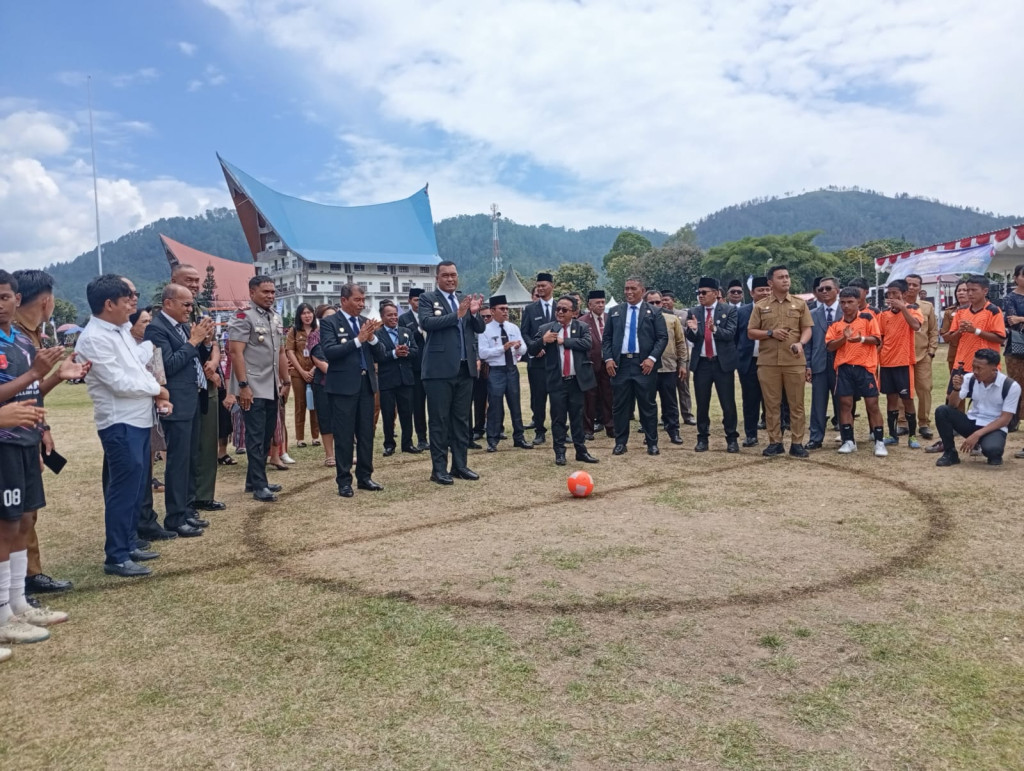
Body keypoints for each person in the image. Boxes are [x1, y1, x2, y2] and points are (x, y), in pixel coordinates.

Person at [0, 270, 84, 646]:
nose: (1, 303)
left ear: (17, 299)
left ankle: (18, 603)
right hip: (3, 442)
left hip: (23, 441)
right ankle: (3, 613)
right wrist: (36, 371)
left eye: (5, 296)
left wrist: (55, 376)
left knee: (21, 521)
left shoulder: (18, 339)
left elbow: (29, 393)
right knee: (5, 526)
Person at [76, 274, 169, 577]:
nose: (133, 301)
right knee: (123, 489)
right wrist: (157, 390)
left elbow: (137, 368)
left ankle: (129, 541)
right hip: (119, 422)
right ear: (108, 303)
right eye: (127, 296)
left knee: (135, 487)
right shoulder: (94, 338)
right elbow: (118, 382)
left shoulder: (119, 331)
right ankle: (116, 555)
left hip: (137, 419)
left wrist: (154, 388)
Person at [10, 269, 75, 596]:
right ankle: (18, 583)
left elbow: (29, 391)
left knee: (26, 512)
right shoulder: (16, 337)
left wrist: (42, 426)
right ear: (47, 301)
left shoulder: (28, 335)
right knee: (14, 514)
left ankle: (29, 575)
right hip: (9, 436)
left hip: (26, 430)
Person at [144, 284, 214, 537]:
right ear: (168, 303)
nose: (190, 309)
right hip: (176, 401)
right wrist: (193, 341)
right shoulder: (156, 329)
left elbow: (195, 358)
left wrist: (204, 343)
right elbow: (169, 366)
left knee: (190, 459)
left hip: (192, 399)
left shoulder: (184, 327)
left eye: (191, 305)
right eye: (185, 304)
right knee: (178, 461)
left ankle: (186, 510)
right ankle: (175, 517)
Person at [417, 261, 486, 484]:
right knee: (439, 420)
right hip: (438, 370)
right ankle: (438, 469)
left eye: (454, 275)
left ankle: (460, 465)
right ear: (437, 278)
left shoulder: (463, 299)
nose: (450, 279)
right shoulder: (428, 299)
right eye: (445, 275)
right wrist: (457, 314)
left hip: (464, 369)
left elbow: (479, 329)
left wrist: (474, 314)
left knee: (461, 420)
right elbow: (427, 322)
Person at [316, 284, 385, 497]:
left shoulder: (366, 323)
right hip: (343, 388)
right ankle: (344, 480)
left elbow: (381, 354)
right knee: (344, 435)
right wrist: (358, 340)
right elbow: (329, 351)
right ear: (344, 300)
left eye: (363, 300)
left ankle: (365, 476)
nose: (361, 304)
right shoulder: (329, 323)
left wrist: (372, 338)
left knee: (366, 434)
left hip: (366, 386)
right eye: (357, 300)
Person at [227, 276, 289, 502]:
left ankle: (254, 479)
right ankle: (259, 485)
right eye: (265, 292)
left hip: (271, 385)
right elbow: (235, 353)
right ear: (252, 292)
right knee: (254, 435)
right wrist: (242, 386)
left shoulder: (275, 317)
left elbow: (281, 352)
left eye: (273, 292)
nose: (270, 296)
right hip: (252, 385)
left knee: (266, 434)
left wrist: (286, 381)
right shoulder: (244, 316)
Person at [170, 264, 225, 513]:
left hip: (207, 382)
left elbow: (213, 342)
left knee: (207, 440)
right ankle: (187, 500)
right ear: (174, 280)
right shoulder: (168, 309)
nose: (194, 284)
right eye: (189, 280)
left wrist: (213, 363)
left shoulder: (200, 310)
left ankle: (204, 494)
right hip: (184, 385)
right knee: (187, 448)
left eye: (197, 280)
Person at [747, 265, 814, 458]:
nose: (786, 280)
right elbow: (751, 332)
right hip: (768, 363)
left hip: (794, 360)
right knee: (772, 404)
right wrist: (770, 333)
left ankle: (797, 442)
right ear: (771, 282)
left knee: (796, 404)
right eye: (781, 277)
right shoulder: (761, 306)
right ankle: (775, 442)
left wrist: (801, 343)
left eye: (787, 276)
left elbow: (808, 328)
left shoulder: (800, 304)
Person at [528, 296, 599, 466]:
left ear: (574, 312)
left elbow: (588, 343)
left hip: (576, 381)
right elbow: (531, 348)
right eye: (558, 309)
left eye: (564, 310)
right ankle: (560, 452)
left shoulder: (581, 327)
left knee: (577, 417)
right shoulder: (547, 328)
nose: (560, 312)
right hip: (557, 381)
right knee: (558, 418)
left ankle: (581, 451)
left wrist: (563, 341)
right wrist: (542, 341)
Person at [127, 307, 178, 543]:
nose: (149, 326)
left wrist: (162, 396)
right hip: (131, 413)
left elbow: (160, 378)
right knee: (135, 471)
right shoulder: (126, 347)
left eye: (150, 321)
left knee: (147, 468)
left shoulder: (152, 348)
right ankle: (135, 524)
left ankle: (147, 519)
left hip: (152, 412)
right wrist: (159, 391)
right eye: (144, 322)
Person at [602, 277, 668, 456]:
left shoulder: (654, 312)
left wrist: (652, 359)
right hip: (620, 364)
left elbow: (662, 338)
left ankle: (652, 443)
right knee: (620, 406)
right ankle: (620, 442)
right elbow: (606, 338)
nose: (628, 292)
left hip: (644, 364)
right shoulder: (615, 312)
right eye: (626, 288)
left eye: (633, 288)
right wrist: (608, 359)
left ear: (642, 290)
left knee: (647, 405)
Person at [825, 287, 887, 456]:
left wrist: (860, 339)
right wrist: (843, 338)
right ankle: (848, 440)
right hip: (844, 368)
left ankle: (879, 441)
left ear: (858, 302)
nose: (846, 306)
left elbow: (876, 339)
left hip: (865, 368)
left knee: (872, 405)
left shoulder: (868, 318)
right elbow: (830, 346)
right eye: (843, 302)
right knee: (845, 405)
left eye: (850, 302)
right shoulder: (836, 324)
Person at [935, 348, 1020, 467]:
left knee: (993, 453)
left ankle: (989, 447)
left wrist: (977, 435)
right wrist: (956, 388)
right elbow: (952, 405)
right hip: (972, 421)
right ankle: (950, 453)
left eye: (979, 368)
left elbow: (1004, 420)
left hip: (994, 426)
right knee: (942, 411)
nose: (975, 371)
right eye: (973, 366)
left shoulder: (1011, 386)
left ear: (994, 369)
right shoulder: (970, 378)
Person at [684, 278, 739, 452]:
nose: (700, 296)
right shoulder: (694, 311)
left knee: (727, 403)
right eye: (698, 293)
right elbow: (694, 337)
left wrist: (714, 329)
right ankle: (702, 438)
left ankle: (731, 438)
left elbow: (730, 333)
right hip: (702, 364)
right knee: (702, 403)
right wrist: (693, 330)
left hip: (722, 364)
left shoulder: (728, 310)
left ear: (715, 293)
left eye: (704, 292)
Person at [477, 294, 532, 453]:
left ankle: (519, 437)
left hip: (512, 369)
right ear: (493, 311)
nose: (506, 311)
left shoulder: (513, 327)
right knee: (495, 405)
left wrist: (518, 348)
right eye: (502, 309)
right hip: (497, 370)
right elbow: (483, 353)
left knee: (515, 404)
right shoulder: (485, 330)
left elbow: (524, 349)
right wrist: (503, 348)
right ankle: (492, 440)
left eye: (507, 308)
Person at [877, 280, 923, 448]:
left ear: (904, 294)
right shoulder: (883, 315)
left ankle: (912, 435)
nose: (892, 297)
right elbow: (880, 339)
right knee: (891, 400)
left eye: (895, 293)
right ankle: (892, 434)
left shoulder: (913, 309)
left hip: (904, 362)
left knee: (907, 399)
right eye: (889, 294)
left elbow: (916, 326)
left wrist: (903, 308)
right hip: (887, 363)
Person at [376, 301, 421, 457]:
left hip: (406, 378)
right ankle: (389, 444)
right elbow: (378, 356)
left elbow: (416, 350)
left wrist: (406, 351)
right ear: (382, 317)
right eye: (390, 315)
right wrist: (394, 354)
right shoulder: (377, 334)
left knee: (407, 412)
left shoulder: (406, 331)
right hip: (387, 379)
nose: (394, 317)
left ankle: (407, 443)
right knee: (388, 414)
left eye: (395, 314)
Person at [943, 275, 1006, 383]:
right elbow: (950, 339)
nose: (970, 293)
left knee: (983, 398)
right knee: (954, 396)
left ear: (985, 291)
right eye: (968, 290)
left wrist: (975, 331)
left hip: (985, 364)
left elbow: (1000, 338)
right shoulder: (961, 311)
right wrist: (960, 330)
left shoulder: (993, 310)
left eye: (974, 290)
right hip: (961, 362)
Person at [804, 277, 841, 450]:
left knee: (843, 401)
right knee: (818, 404)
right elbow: (809, 344)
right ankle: (815, 437)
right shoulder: (812, 314)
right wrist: (808, 365)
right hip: (819, 365)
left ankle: (846, 434)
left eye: (828, 288)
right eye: (821, 289)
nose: (824, 292)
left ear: (837, 290)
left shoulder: (846, 311)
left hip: (842, 365)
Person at [735, 277, 771, 447]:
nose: (765, 293)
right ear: (751, 293)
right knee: (750, 400)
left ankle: (775, 435)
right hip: (749, 362)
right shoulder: (742, 312)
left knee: (772, 400)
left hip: (771, 362)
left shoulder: (775, 310)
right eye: (760, 290)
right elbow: (736, 338)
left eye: (767, 289)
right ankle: (751, 435)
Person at [903, 274, 939, 440]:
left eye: (915, 285)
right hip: (901, 355)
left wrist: (931, 351)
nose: (911, 288)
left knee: (924, 388)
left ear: (920, 288)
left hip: (923, 354)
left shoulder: (927, 307)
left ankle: (924, 423)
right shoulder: (896, 306)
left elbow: (933, 331)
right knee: (902, 390)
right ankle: (902, 422)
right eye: (908, 284)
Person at [521, 272, 555, 444]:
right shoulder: (530, 309)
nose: (541, 288)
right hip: (538, 362)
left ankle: (561, 429)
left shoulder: (561, 307)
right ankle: (540, 431)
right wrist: (535, 348)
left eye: (544, 285)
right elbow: (524, 333)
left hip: (558, 362)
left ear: (552, 286)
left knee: (559, 398)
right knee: (538, 398)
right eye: (538, 286)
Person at [284, 303, 320, 448]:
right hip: (298, 373)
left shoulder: (319, 330)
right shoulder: (294, 331)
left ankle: (316, 436)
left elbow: (323, 351)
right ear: (299, 316)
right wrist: (302, 371)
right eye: (304, 313)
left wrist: (313, 370)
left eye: (309, 313)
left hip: (316, 371)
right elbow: (290, 351)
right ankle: (300, 438)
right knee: (300, 404)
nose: (307, 316)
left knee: (316, 404)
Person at [579, 290, 614, 439]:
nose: (601, 305)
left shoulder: (611, 318)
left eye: (602, 302)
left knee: (609, 397)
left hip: (609, 365)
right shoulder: (582, 321)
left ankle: (611, 427)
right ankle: (588, 429)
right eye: (597, 303)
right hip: (590, 365)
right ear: (590, 305)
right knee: (589, 399)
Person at [398, 288, 429, 451]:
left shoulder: (431, 315)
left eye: (422, 300)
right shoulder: (404, 319)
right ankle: (422, 438)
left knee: (436, 405)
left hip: (433, 366)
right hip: (415, 368)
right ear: (410, 301)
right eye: (416, 300)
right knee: (418, 406)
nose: (419, 303)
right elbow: (404, 340)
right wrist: (418, 332)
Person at [308, 305, 336, 467]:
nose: (331, 320)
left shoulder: (342, 333)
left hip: (342, 383)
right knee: (325, 419)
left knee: (342, 419)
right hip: (324, 383)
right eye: (327, 317)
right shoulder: (315, 335)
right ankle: (329, 455)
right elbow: (319, 360)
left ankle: (343, 453)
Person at [662, 292, 697, 427]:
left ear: (673, 301)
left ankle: (687, 414)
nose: (665, 303)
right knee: (666, 389)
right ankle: (666, 416)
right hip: (665, 358)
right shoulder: (657, 314)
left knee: (683, 386)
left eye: (667, 300)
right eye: (662, 300)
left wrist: (674, 324)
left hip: (681, 356)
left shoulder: (682, 314)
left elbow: (687, 332)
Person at [1002, 265, 1024, 458]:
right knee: (1016, 386)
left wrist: (1021, 318)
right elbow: (1010, 321)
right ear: (1016, 277)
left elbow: (1017, 320)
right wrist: (1016, 319)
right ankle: (1013, 419)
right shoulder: (1009, 297)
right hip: (1016, 349)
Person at [471, 304, 491, 443]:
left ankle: (496, 428)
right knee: (479, 399)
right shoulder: (474, 329)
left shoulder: (497, 328)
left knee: (495, 400)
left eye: (488, 316)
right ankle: (478, 428)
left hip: (494, 367)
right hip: (478, 367)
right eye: (482, 316)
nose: (485, 319)